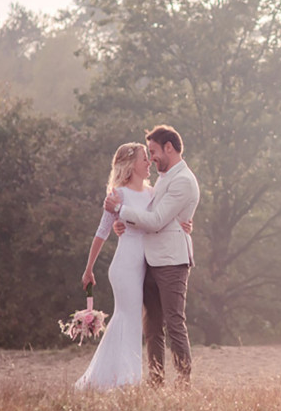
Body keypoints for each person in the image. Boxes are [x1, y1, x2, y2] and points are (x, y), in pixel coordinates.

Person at [105, 124, 200, 387]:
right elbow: (153, 213)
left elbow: (157, 220)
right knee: (153, 325)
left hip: (172, 262)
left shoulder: (183, 180)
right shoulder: (166, 176)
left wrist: (121, 211)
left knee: (174, 321)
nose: (152, 157)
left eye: (154, 151)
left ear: (169, 147)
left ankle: (183, 382)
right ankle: (156, 381)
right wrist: (121, 224)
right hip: (150, 260)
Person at [75, 142, 154, 390]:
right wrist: (89, 269)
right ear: (131, 165)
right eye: (144, 158)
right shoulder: (117, 196)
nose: (149, 162)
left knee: (129, 319)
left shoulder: (152, 194)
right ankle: (126, 380)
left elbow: (161, 220)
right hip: (124, 266)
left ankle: (114, 378)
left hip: (145, 266)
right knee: (128, 318)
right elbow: (102, 232)